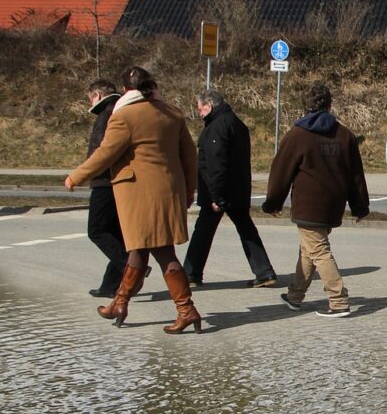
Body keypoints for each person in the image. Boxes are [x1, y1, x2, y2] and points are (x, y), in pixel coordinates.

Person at [64, 66, 203, 334]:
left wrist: (76, 177)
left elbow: (106, 153)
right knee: (138, 250)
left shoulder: (125, 116)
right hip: (168, 191)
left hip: (140, 194)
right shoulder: (172, 113)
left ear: (127, 89)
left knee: (163, 253)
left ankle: (187, 310)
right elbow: (189, 156)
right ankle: (119, 303)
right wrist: (189, 191)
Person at [263, 82, 369, 318]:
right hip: (333, 205)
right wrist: (360, 207)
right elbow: (356, 176)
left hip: (308, 205)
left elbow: (280, 172)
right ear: (330, 106)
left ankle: (338, 300)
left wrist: (272, 204)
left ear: (305, 107)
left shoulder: (297, 135)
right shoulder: (345, 136)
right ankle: (295, 296)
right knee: (308, 249)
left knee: (318, 250)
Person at [182, 89, 278, 289]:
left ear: (209, 106)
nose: (199, 114)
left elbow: (216, 164)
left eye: (200, 109)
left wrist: (216, 195)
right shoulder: (236, 123)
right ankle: (264, 272)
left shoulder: (217, 127)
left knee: (203, 232)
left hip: (219, 192)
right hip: (237, 189)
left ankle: (190, 274)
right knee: (246, 230)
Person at [82, 79, 130, 298]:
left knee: (97, 230)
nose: (89, 103)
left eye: (90, 98)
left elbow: (103, 151)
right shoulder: (121, 109)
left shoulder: (107, 114)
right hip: (116, 181)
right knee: (116, 234)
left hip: (104, 181)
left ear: (97, 95)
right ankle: (110, 286)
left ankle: (132, 267)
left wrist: (85, 172)